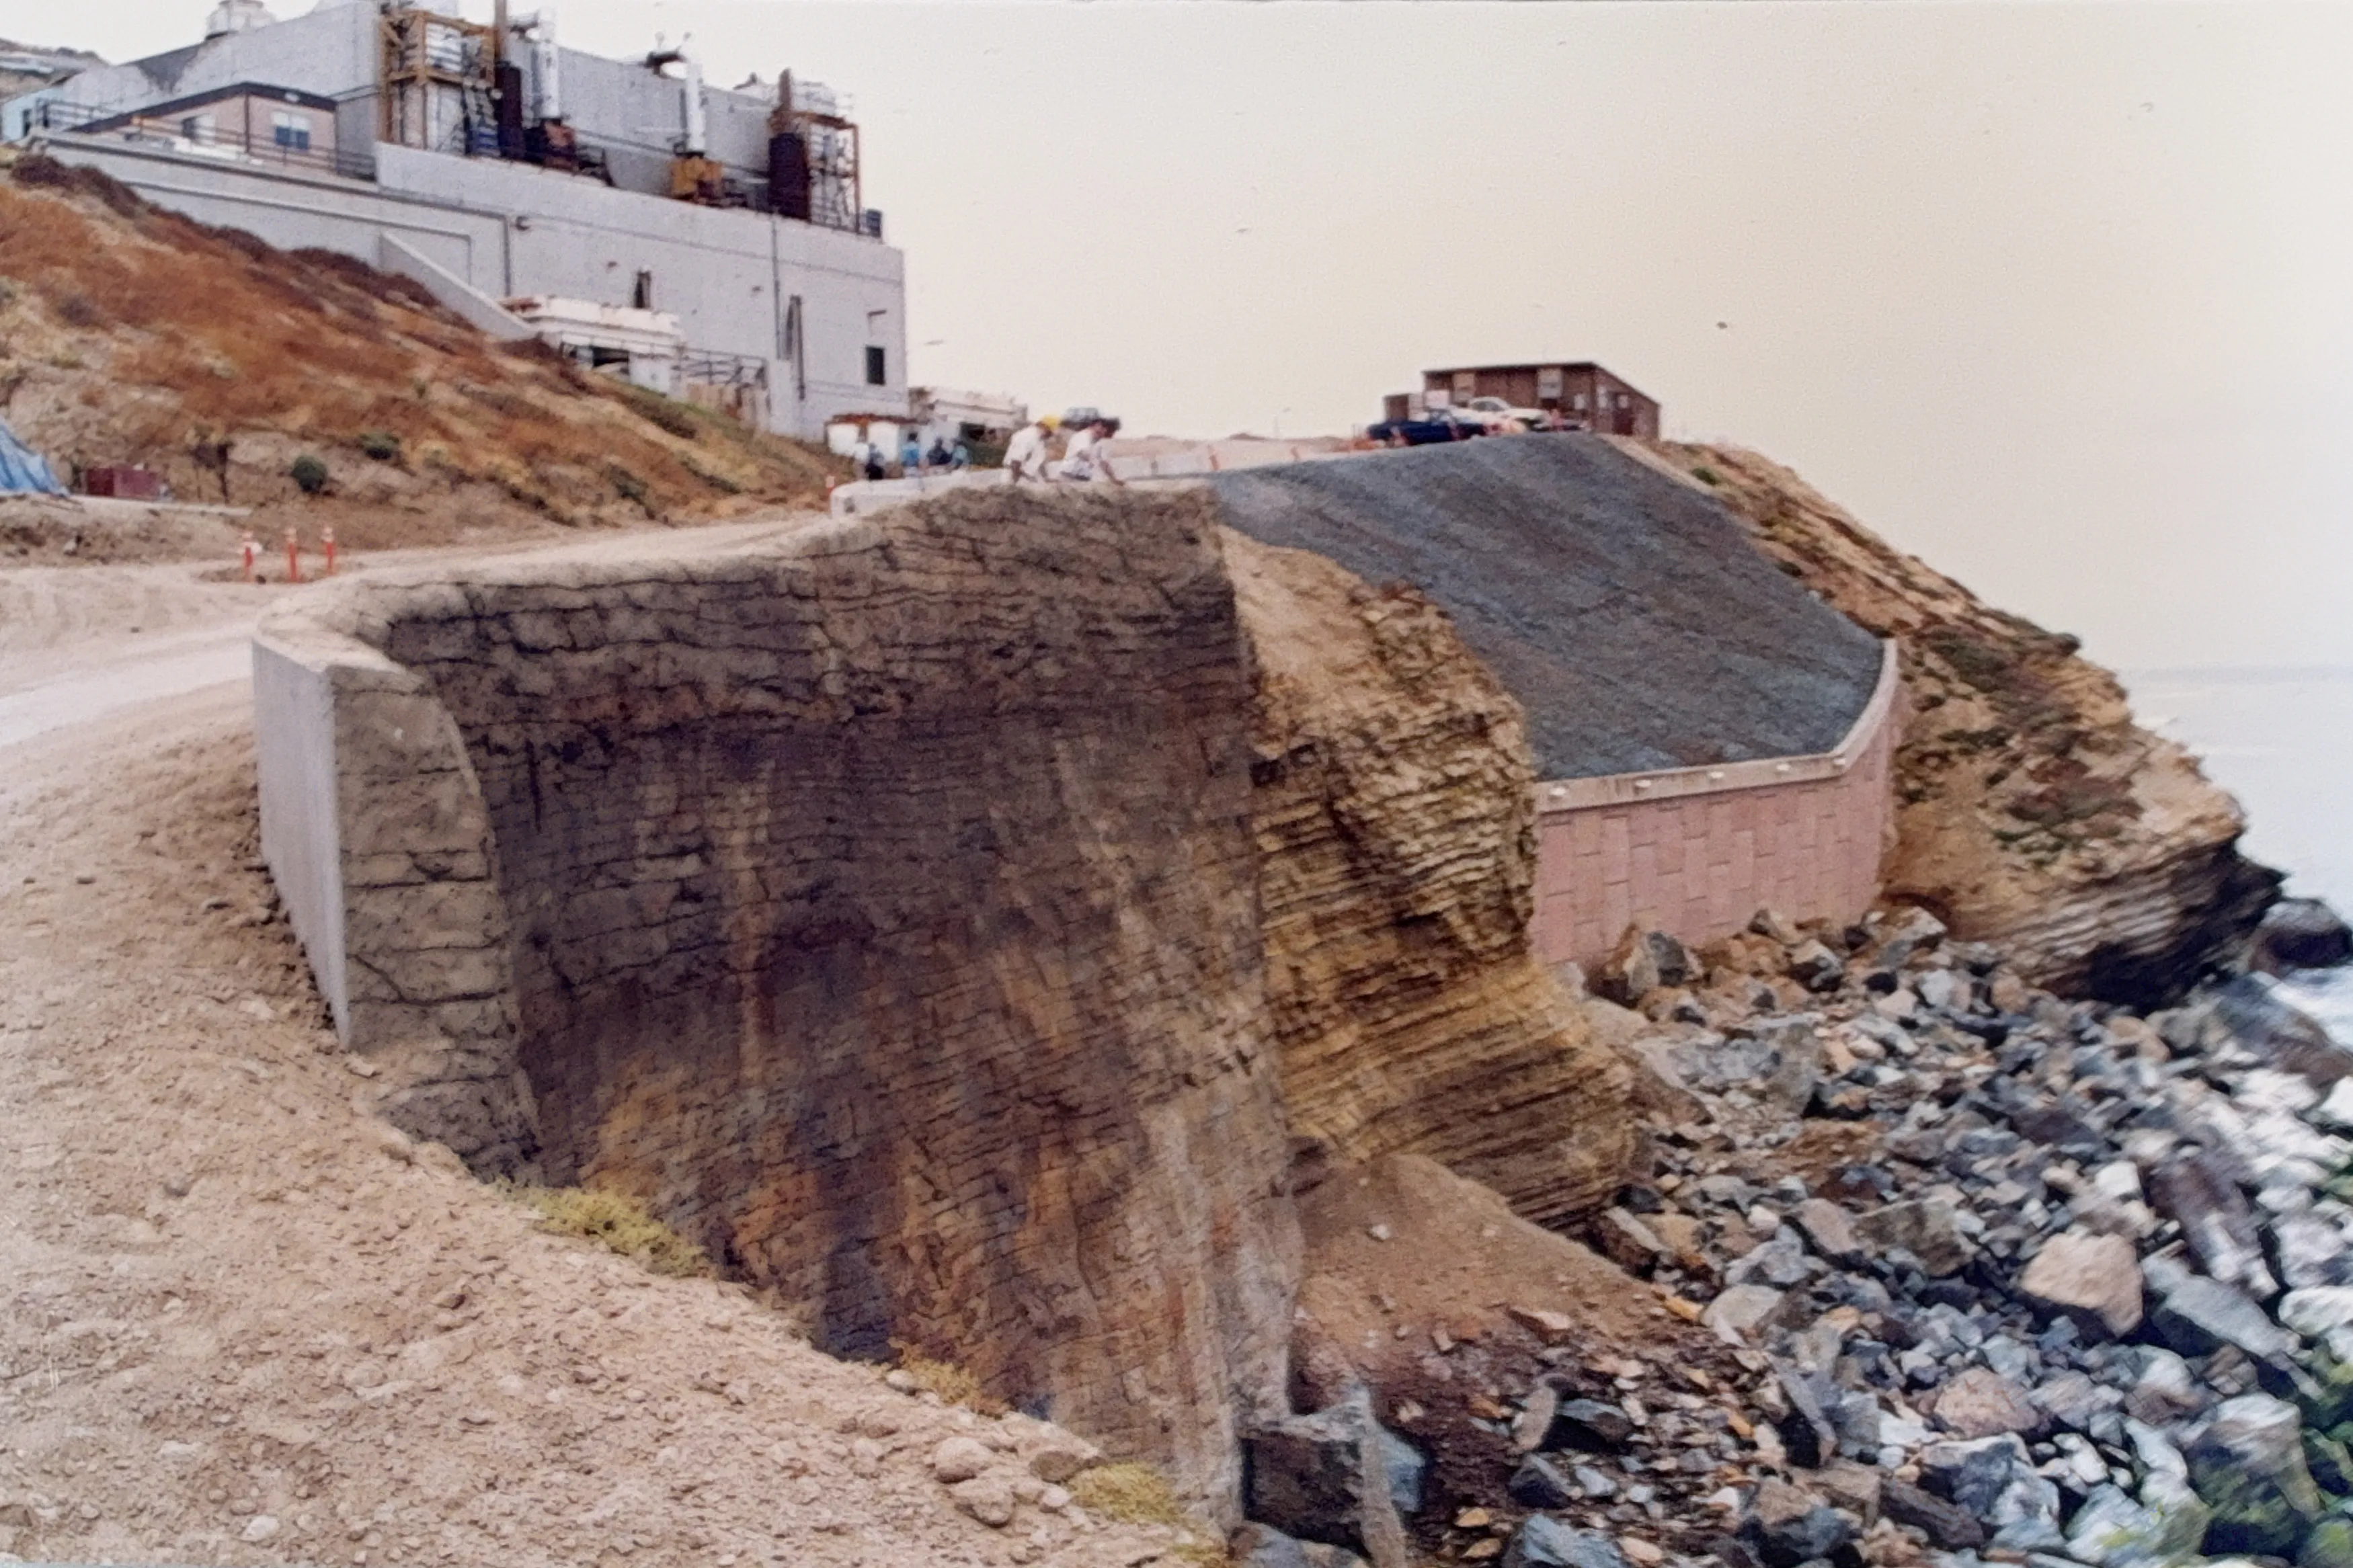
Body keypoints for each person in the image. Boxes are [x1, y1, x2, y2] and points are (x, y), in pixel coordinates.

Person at [1004, 415, 1054, 483]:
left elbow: (1039, 461)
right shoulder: (1027, 436)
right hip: (1013, 476)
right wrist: (1015, 484)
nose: (1051, 436)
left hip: (1025, 477)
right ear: (1045, 428)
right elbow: (1015, 461)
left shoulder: (1039, 439)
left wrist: (1046, 478)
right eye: (1051, 433)